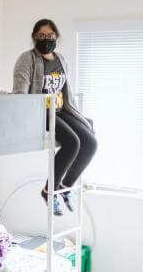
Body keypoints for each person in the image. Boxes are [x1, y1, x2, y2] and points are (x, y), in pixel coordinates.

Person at [13, 18, 97, 216]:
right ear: (34, 38)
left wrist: (80, 118)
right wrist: (22, 115)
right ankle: (49, 192)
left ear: (56, 37)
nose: (46, 39)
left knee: (91, 143)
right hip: (40, 110)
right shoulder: (28, 59)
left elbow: (67, 90)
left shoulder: (60, 59)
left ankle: (65, 187)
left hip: (61, 108)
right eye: (41, 36)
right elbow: (20, 91)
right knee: (72, 143)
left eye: (50, 35)